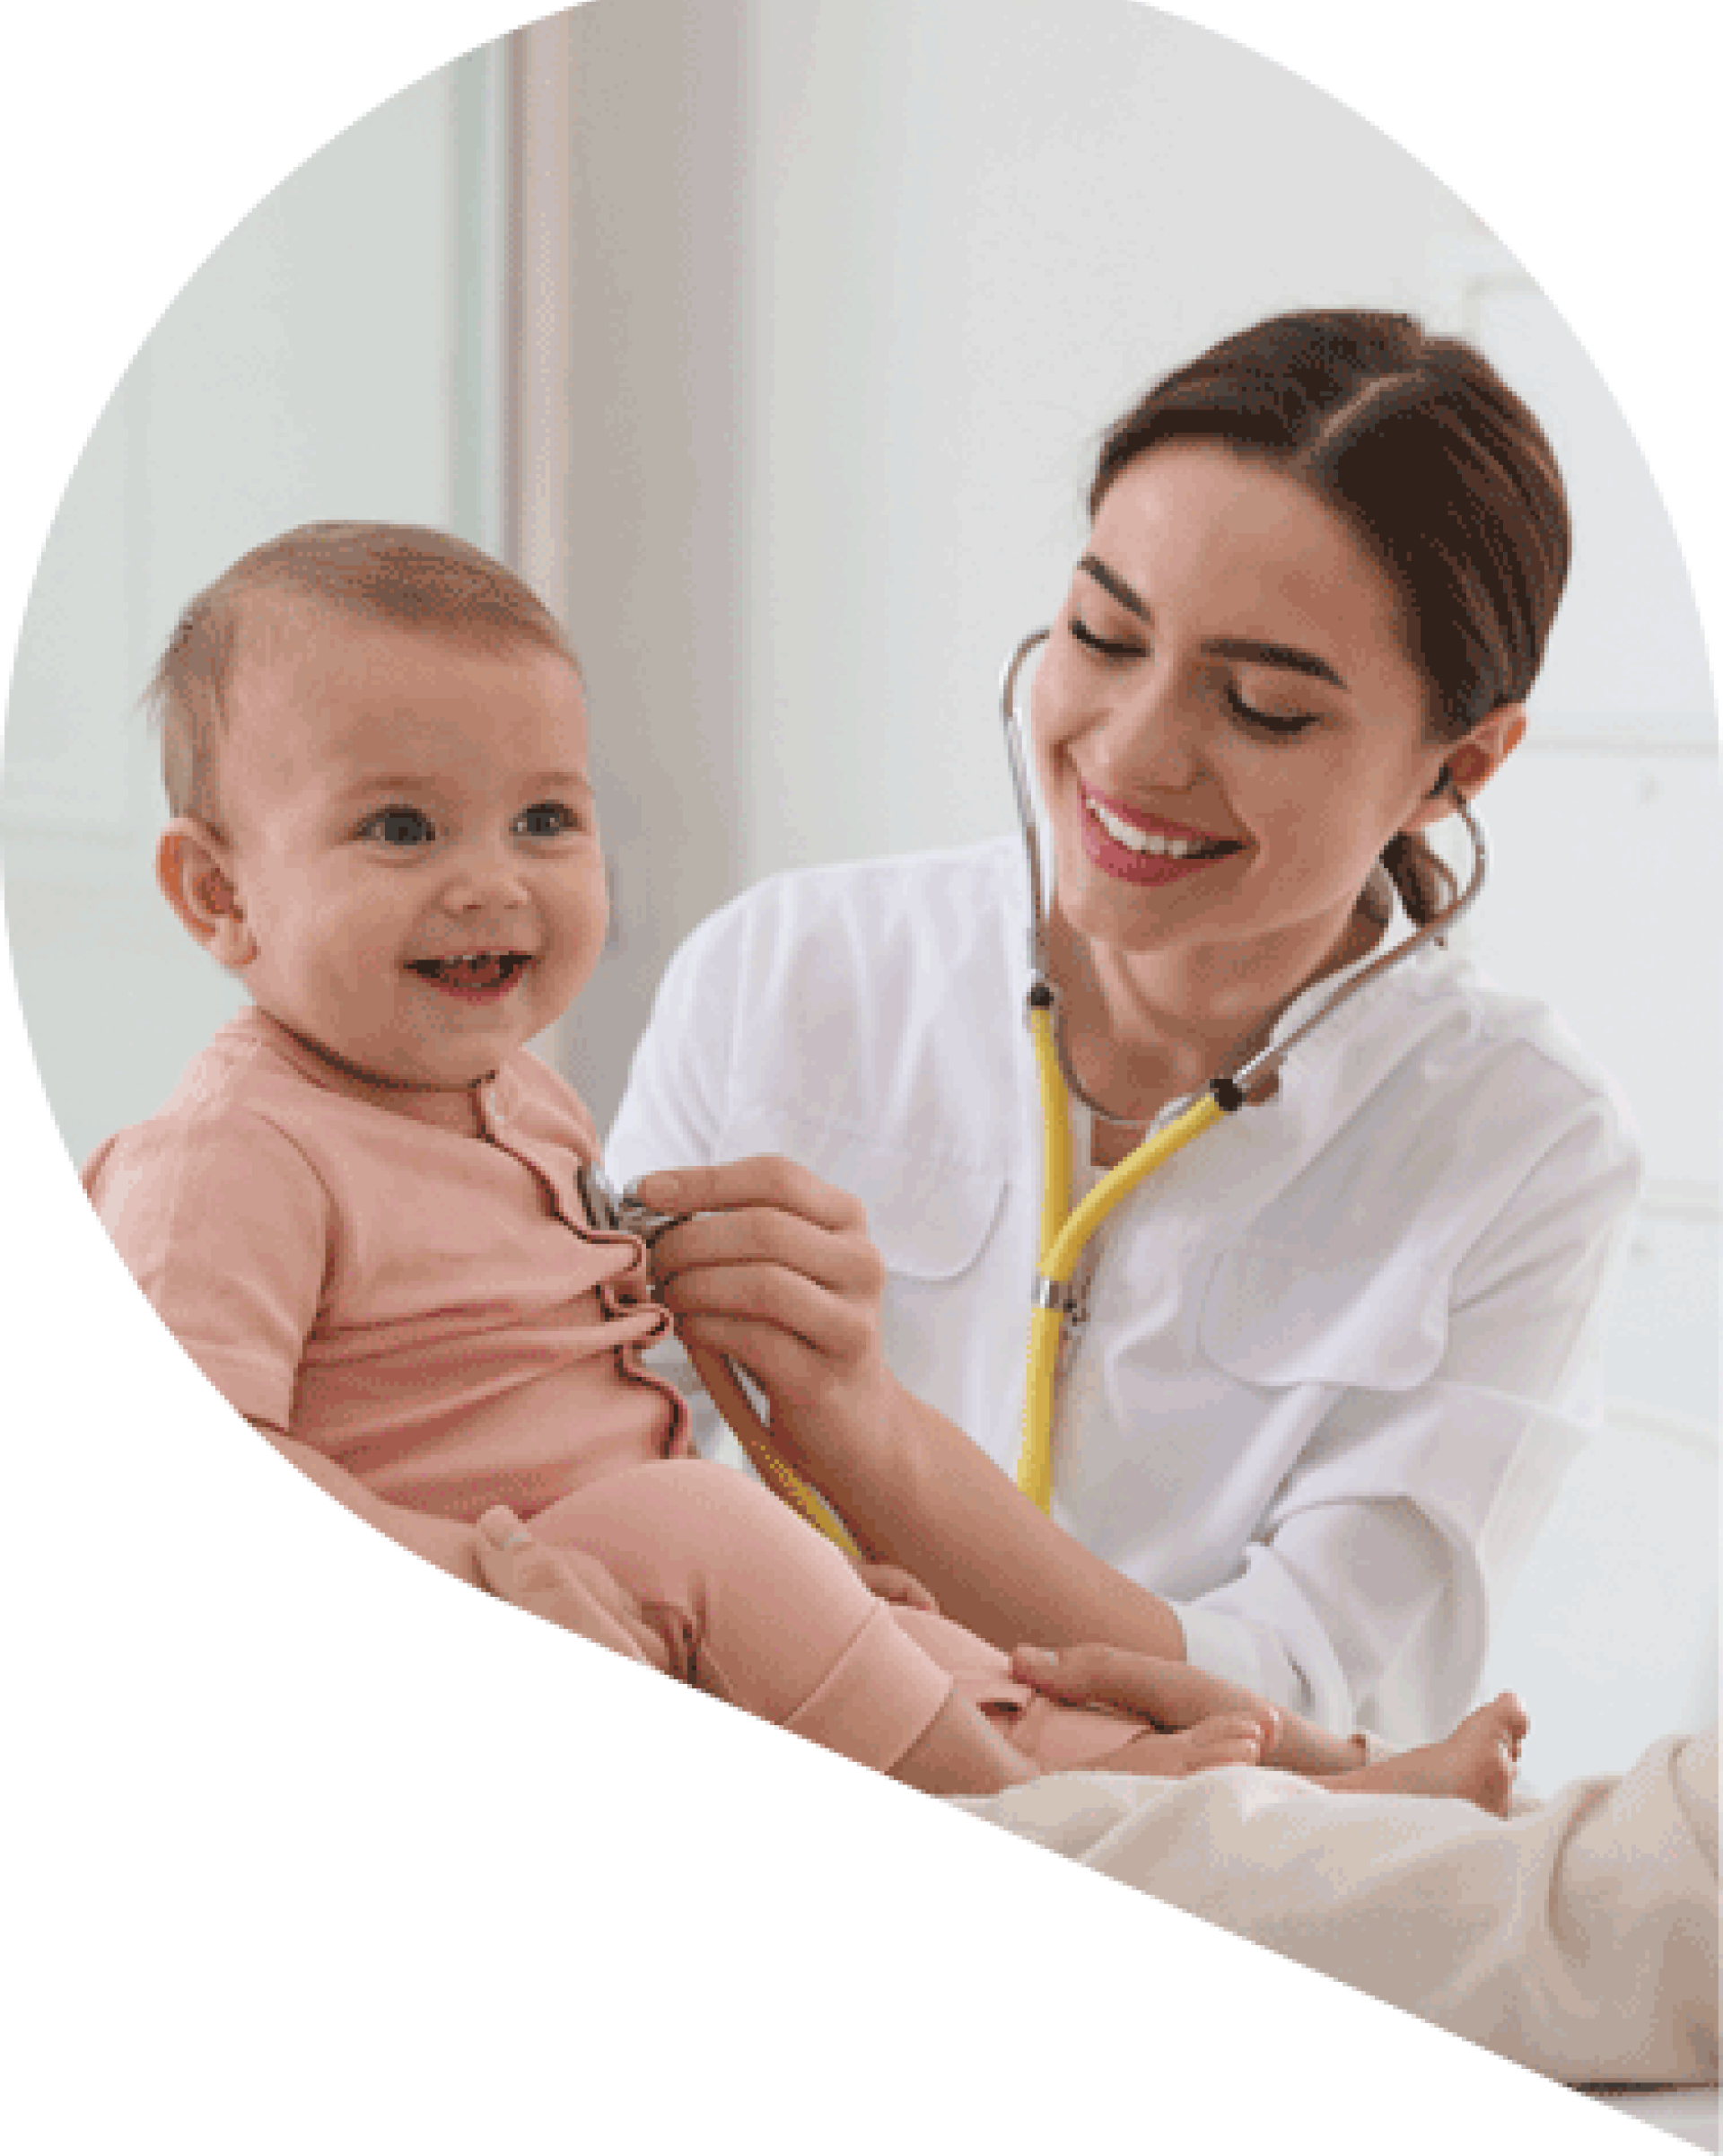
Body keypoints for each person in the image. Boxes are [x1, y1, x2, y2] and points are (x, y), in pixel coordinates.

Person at [80, 520, 1528, 1804]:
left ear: (1451, 767)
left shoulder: (523, 1103)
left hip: (664, 1587)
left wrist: (809, 1543)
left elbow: (630, 1400)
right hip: (549, 1575)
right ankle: (1041, 1814)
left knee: (918, 1626)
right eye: (400, 826)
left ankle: (1324, 1792)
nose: (492, 877)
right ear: (219, 893)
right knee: (715, 1529)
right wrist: (484, 1565)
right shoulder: (234, 1156)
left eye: (546, 818)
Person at [605, 309, 1646, 1754]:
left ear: (1457, 766)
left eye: (1266, 707)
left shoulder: (1522, 1142)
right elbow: (577, 1449)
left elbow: (1293, 1704)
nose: (1134, 751)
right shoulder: (788, 968)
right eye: (1102, 634)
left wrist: (868, 1429)